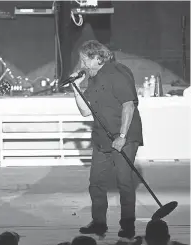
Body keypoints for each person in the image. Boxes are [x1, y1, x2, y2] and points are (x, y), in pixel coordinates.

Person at [71, 40, 143, 239]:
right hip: (102, 138)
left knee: (124, 183)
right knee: (96, 183)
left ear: (96, 58)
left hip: (124, 137)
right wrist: (75, 88)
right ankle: (99, 223)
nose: (82, 64)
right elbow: (85, 111)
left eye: (84, 59)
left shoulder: (117, 73)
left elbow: (128, 105)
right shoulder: (93, 78)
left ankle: (128, 225)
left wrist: (122, 136)